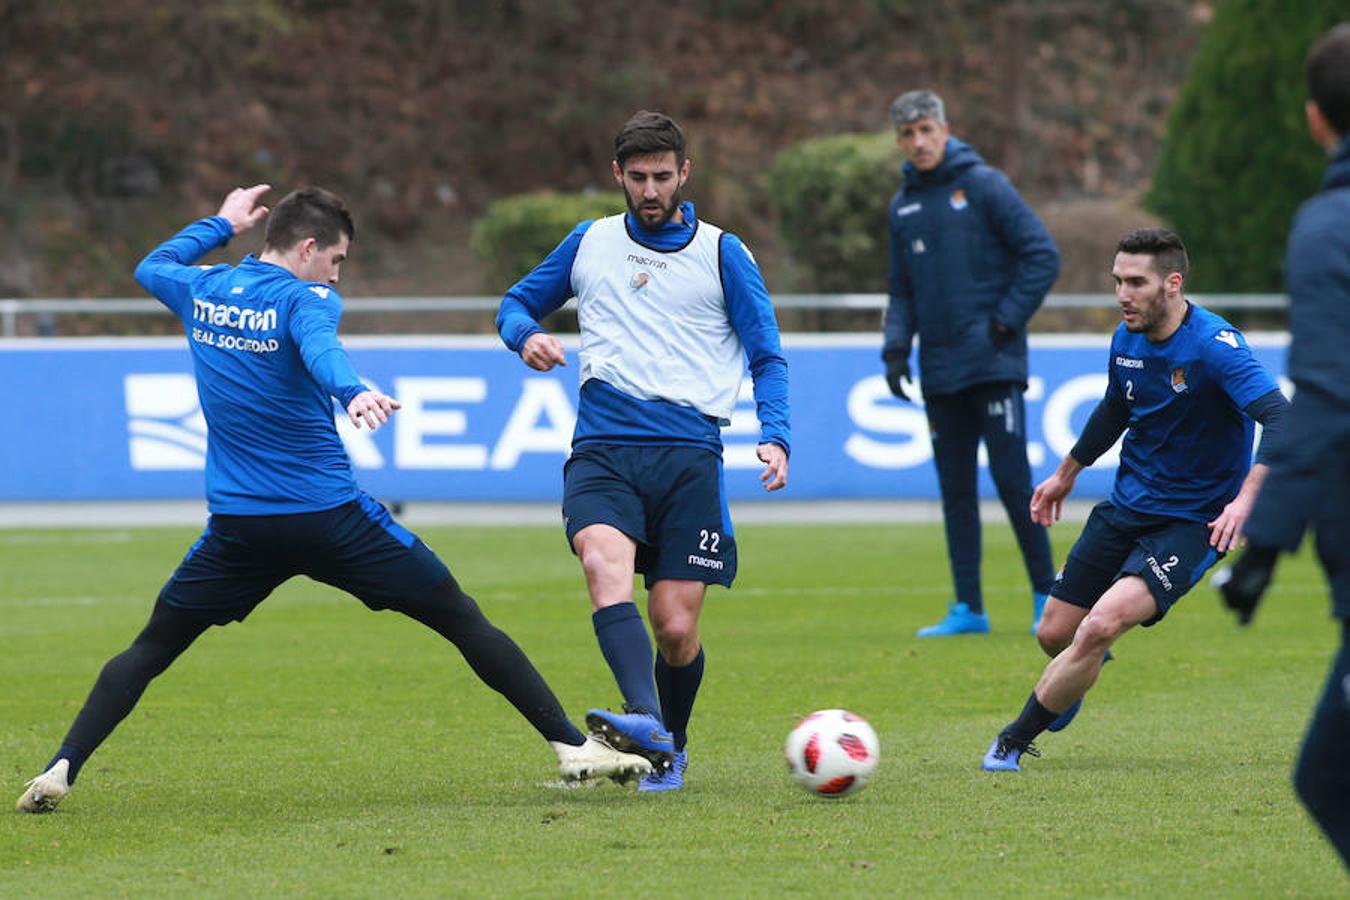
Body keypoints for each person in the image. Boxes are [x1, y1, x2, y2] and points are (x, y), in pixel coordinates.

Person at [15, 185, 650, 814]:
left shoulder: (202, 290)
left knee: (151, 648)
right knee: (460, 618)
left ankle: (62, 766)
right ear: (310, 247)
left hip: (240, 528)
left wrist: (221, 222)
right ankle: (571, 747)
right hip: (330, 520)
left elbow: (150, 266)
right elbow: (322, 350)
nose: (338, 275)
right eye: (338, 259)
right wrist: (351, 393)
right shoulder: (308, 297)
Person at [496, 110, 790, 792]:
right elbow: (515, 303)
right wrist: (524, 336)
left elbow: (766, 355)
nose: (650, 190)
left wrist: (774, 434)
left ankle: (669, 742)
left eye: (662, 176)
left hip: (690, 456)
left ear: (684, 174)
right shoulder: (590, 242)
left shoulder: (723, 252)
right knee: (602, 562)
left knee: (675, 627)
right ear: (618, 177)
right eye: (638, 178)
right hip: (604, 447)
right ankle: (645, 722)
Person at [981, 228, 1289, 772]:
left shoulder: (1216, 348)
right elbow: (1114, 411)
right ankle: (1077, 670)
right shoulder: (1126, 339)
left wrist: (1244, 502)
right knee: (1055, 632)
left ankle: (1011, 742)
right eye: (1118, 280)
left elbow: (1282, 419)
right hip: (1127, 507)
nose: (1123, 293)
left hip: (1195, 522)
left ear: (1172, 284)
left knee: (1099, 626)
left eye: (1136, 282)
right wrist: (1065, 473)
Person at [1216, 23, 1350, 868]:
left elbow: (1331, 393)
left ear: (1312, 119)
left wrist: (1263, 544)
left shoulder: (1328, 227)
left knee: (1329, 776)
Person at [882, 89, 1059, 637]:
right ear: (899, 141)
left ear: (945, 129)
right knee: (955, 491)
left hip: (993, 364)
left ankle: (1045, 599)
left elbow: (1042, 255)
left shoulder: (983, 185)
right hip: (939, 371)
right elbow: (901, 289)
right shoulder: (903, 206)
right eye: (908, 135)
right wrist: (894, 347)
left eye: (926, 131)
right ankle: (969, 608)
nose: (919, 142)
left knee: (1013, 483)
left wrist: (1004, 321)